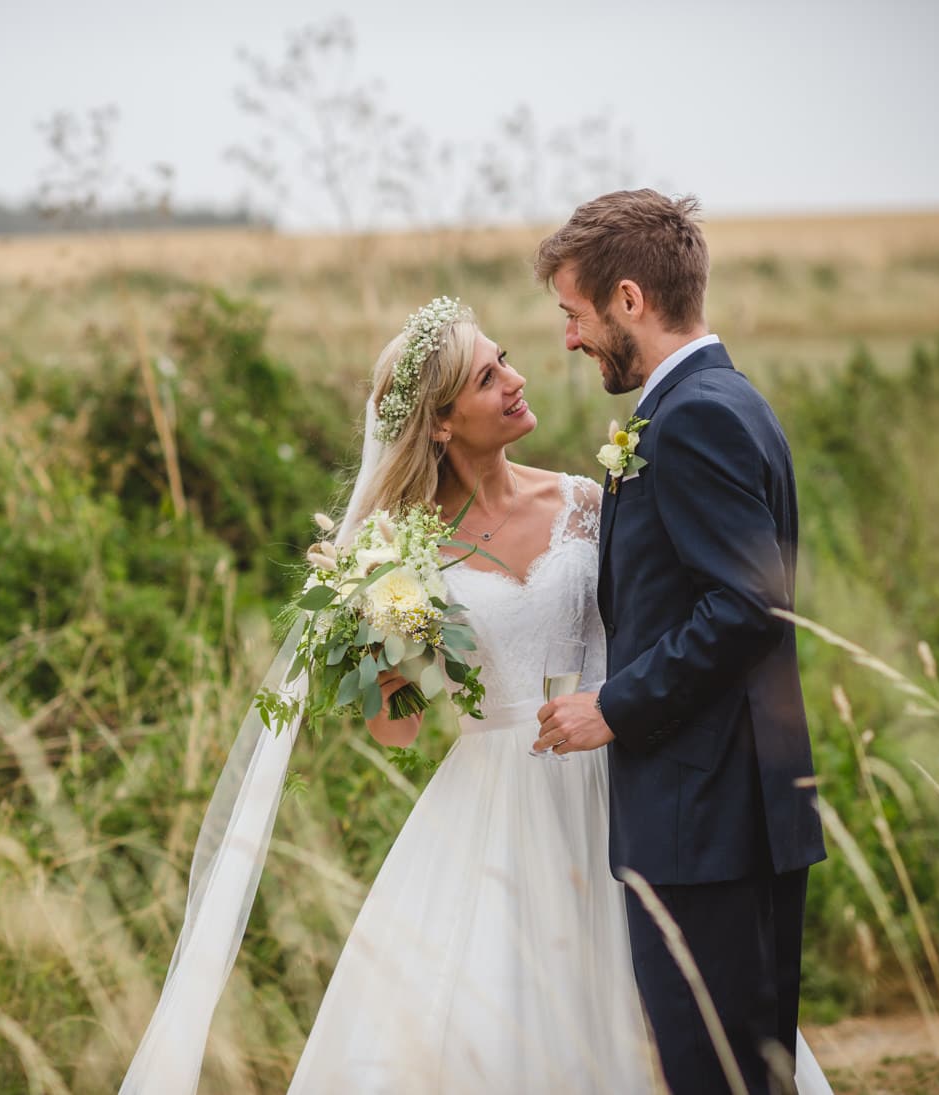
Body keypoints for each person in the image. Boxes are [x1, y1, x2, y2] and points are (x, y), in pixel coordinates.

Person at [121, 293, 833, 1093]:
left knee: (682, 1024)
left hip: (621, 779)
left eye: (505, 360)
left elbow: (667, 621)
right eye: (489, 376)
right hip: (494, 800)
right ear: (441, 423)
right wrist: (384, 643)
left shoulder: (591, 502)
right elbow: (396, 731)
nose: (516, 379)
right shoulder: (400, 555)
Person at [532, 189, 829, 1094]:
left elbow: (745, 607)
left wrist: (612, 707)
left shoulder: (692, 417)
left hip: (709, 820)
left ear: (630, 299)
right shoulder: (722, 397)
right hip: (731, 811)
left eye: (574, 315)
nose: (570, 339)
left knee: (717, 1073)